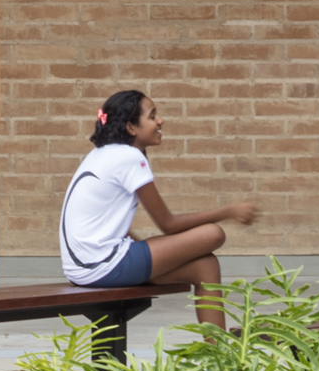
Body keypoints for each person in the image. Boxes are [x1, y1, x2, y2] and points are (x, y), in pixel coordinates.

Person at [59, 89, 260, 326]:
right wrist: (228, 212)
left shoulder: (101, 154)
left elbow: (111, 228)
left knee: (205, 266)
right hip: (101, 265)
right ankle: (219, 358)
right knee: (213, 233)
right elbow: (168, 224)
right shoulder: (130, 157)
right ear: (131, 128)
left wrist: (151, 255)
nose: (160, 121)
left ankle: (217, 355)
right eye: (152, 116)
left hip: (85, 267)